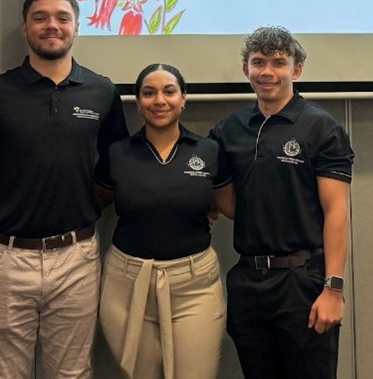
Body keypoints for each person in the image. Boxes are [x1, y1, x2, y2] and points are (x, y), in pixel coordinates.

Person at [0, 0, 128, 379]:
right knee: (2, 374)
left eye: (62, 18)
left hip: (77, 255)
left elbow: (115, 165)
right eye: (40, 18)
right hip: (6, 257)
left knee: (71, 373)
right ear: (24, 28)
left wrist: (85, 200)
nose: (51, 26)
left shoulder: (102, 92)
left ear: (76, 27)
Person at [210, 26, 354, 379]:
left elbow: (337, 211)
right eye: (258, 62)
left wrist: (333, 289)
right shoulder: (229, 131)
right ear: (246, 69)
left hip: (302, 281)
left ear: (297, 69)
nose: (267, 72)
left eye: (278, 62)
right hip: (248, 282)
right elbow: (227, 202)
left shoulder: (322, 128)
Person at [98, 63, 229, 379]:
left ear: (183, 98)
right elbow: (91, 204)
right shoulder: (117, 154)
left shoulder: (209, 151)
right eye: (148, 93)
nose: (159, 100)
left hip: (194, 287)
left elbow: (230, 206)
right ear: (138, 103)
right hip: (126, 285)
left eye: (169, 91)